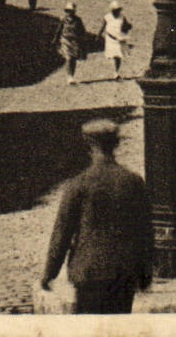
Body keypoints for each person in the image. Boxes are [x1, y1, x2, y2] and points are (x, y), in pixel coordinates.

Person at [41, 119, 153, 313]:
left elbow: (62, 234)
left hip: (89, 273)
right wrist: (145, 273)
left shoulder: (78, 185)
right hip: (124, 273)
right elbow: (145, 232)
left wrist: (49, 274)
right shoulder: (133, 182)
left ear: (88, 146)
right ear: (116, 145)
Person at [55, 3, 88, 84]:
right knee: (69, 58)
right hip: (65, 40)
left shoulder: (78, 20)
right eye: (67, 11)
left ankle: (72, 76)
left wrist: (83, 40)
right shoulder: (63, 20)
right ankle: (69, 77)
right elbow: (59, 30)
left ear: (74, 12)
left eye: (70, 11)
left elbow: (82, 31)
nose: (68, 12)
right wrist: (55, 39)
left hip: (74, 41)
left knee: (73, 59)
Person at [101, 2, 132, 80]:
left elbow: (126, 26)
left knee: (118, 56)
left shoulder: (122, 17)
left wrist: (128, 27)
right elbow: (103, 27)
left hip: (119, 38)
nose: (116, 11)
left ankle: (116, 72)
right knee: (112, 55)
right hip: (110, 38)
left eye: (118, 10)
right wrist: (99, 35)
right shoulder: (107, 17)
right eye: (115, 10)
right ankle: (114, 71)